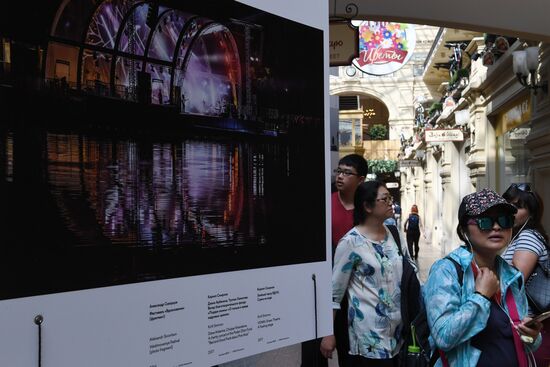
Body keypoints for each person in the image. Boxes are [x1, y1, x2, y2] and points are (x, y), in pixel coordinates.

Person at [423, 188, 542, 367]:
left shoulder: (511, 275)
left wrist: (532, 336)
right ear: (464, 231)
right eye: (485, 221)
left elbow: (520, 340)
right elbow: (443, 337)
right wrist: (480, 297)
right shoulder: (447, 271)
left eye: (504, 220)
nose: (497, 227)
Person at [321, 180, 410, 367]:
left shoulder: (394, 234)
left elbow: (410, 272)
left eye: (390, 198)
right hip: (368, 337)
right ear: (367, 206)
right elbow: (334, 294)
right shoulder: (351, 243)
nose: (390, 203)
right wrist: (328, 334)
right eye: (384, 199)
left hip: (399, 333)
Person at [302, 154, 368, 367]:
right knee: (314, 356)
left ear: (361, 179)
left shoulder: (366, 211)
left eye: (347, 173)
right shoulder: (322, 203)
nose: (340, 176)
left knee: (352, 357)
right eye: (338, 171)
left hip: (354, 297)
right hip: (320, 293)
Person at [502, 183, 550, 367]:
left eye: (518, 206)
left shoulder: (528, 236)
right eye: (508, 205)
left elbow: (514, 279)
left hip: (529, 327)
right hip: (522, 325)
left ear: (531, 212)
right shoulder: (517, 235)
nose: (511, 211)